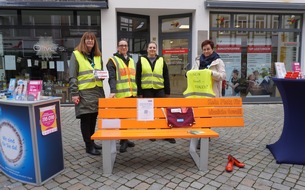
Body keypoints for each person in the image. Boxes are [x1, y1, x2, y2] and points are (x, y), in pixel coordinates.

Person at [69, 32, 105, 156]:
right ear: (83, 41)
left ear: (95, 42)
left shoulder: (97, 56)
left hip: (97, 91)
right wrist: (74, 93)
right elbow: (73, 76)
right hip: (84, 92)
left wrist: (102, 76)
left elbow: (99, 73)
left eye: (92, 40)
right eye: (87, 39)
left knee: (94, 117)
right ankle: (88, 145)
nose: (90, 41)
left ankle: (92, 141)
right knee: (86, 118)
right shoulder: (76, 54)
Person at [135, 41, 175, 144]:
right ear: (147, 49)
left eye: (154, 47)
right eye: (150, 47)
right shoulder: (141, 60)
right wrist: (139, 92)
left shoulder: (161, 60)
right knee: (149, 112)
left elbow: (166, 76)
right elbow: (138, 77)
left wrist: (167, 91)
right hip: (147, 90)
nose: (152, 49)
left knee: (163, 112)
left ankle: (166, 134)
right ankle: (151, 132)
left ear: (156, 49)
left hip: (159, 89)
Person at [106, 39, 136, 153]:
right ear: (118, 47)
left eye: (125, 45)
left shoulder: (131, 60)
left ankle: (125, 138)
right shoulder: (112, 60)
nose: (123, 47)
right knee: (122, 118)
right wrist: (113, 91)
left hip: (131, 94)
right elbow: (112, 77)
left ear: (128, 47)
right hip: (121, 94)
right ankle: (123, 140)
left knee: (127, 117)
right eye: (121, 45)